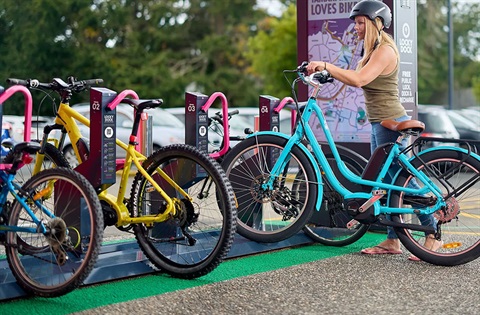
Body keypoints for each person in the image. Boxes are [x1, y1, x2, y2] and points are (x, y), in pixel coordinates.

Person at [306, 0, 442, 261]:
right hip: (379, 122)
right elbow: (354, 76)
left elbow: (360, 79)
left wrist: (326, 64)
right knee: (387, 184)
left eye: (361, 22)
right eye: (355, 22)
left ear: (376, 23)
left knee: (404, 183)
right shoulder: (372, 49)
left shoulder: (385, 51)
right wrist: (327, 74)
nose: (356, 27)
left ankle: (432, 231)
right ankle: (393, 240)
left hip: (390, 120)